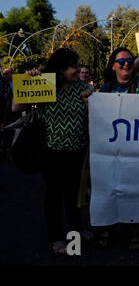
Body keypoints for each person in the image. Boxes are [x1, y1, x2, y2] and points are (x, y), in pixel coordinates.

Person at [12, 48, 94, 255]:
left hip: (78, 151)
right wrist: (29, 81)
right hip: (52, 152)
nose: (77, 70)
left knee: (74, 196)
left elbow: (98, 115)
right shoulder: (46, 85)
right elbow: (16, 106)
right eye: (72, 66)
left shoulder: (84, 87)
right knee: (55, 195)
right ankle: (56, 238)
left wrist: (92, 102)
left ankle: (76, 232)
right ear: (60, 69)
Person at [97, 47, 139, 252]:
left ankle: (137, 228)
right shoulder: (105, 90)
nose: (126, 64)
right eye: (121, 61)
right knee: (110, 186)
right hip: (113, 150)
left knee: (138, 186)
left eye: (129, 60)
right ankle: (107, 226)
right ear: (113, 65)